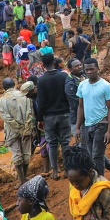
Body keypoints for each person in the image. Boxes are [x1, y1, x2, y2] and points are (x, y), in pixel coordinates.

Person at [76, 58, 110, 183]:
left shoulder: (105, 86)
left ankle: (100, 183)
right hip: (87, 125)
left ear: (97, 69)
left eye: (92, 69)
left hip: (101, 124)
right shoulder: (82, 85)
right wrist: (78, 127)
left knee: (97, 156)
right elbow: (81, 106)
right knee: (90, 155)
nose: (89, 72)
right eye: (87, 70)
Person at [36, 53, 71, 181]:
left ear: (42, 65)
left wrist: (40, 119)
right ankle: (67, 169)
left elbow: (41, 102)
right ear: (54, 62)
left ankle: (55, 171)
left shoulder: (41, 80)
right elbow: (68, 94)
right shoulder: (63, 76)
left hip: (49, 116)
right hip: (65, 113)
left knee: (52, 143)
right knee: (65, 142)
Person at [0, 78, 34, 185]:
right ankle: (24, 177)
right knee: (26, 154)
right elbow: (29, 113)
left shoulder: (1, 100)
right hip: (26, 129)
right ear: (15, 85)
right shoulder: (25, 96)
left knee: (17, 155)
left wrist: (17, 127)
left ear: (3, 88)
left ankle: (21, 181)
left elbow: (6, 118)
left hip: (12, 131)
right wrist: (25, 128)